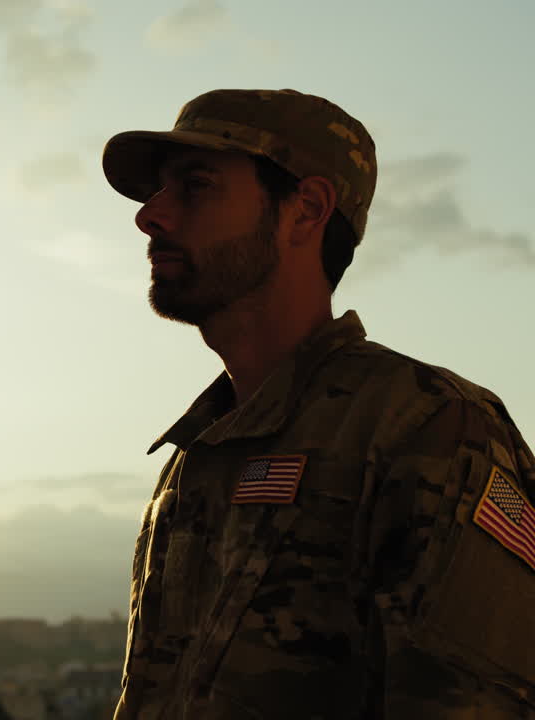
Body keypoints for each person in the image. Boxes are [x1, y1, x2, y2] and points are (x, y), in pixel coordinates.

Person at [100, 88, 535, 718]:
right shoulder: (198, 453)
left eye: (194, 186)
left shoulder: (428, 427)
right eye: (156, 192)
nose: (151, 215)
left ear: (305, 209)